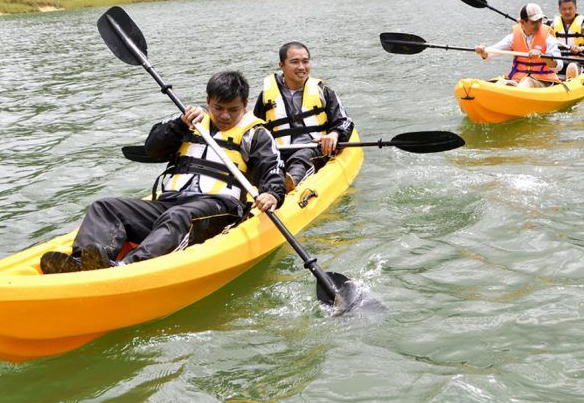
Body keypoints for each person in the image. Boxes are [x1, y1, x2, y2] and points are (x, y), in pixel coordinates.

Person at [40, 71, 286, 274]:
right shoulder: (190, 121)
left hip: (218, 210)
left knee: (180, 215)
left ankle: (128, 267)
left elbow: (272, 171)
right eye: (217, 107)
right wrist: (179, 125)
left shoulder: (257, 135)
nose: (224, 115)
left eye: (232, 109)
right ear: (208, 100)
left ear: (245, 104)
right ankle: (83, 261)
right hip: (169, 202)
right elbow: (153, 149)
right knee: (104, 207)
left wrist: (272, 194)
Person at [252, 42, 355, 191]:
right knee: (265, 162)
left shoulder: (323, 91)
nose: (302, 67)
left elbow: (345, 121)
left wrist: (334, 134)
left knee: (301, 158)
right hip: (279, 150)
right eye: (295, 62)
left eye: (305, 61)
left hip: (314, 148)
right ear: (281, 65)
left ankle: (291, 183)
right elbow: (256, 128)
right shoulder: (266, 96)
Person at [474, 3, 564, 87]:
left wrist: (542, 56)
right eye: (534, 22)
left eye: (540, 21)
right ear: (522, 22)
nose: (538, 25)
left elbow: (558, 66)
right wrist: (483, 51)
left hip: (543, 81)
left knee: (527, 82)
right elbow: (492, 52)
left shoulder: (548, 38)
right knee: (503, 83)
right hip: (518, 79)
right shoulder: (513, 37)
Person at [549, 0, 584, 79]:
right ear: (559, 9)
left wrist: (581, 48)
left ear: (575, 8)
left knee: (572, 66)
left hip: (580, 63)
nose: (567, 12)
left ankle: (572, 78)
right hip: (558, 63)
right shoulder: (551, 25)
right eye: (564, 9)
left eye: (570, 8)